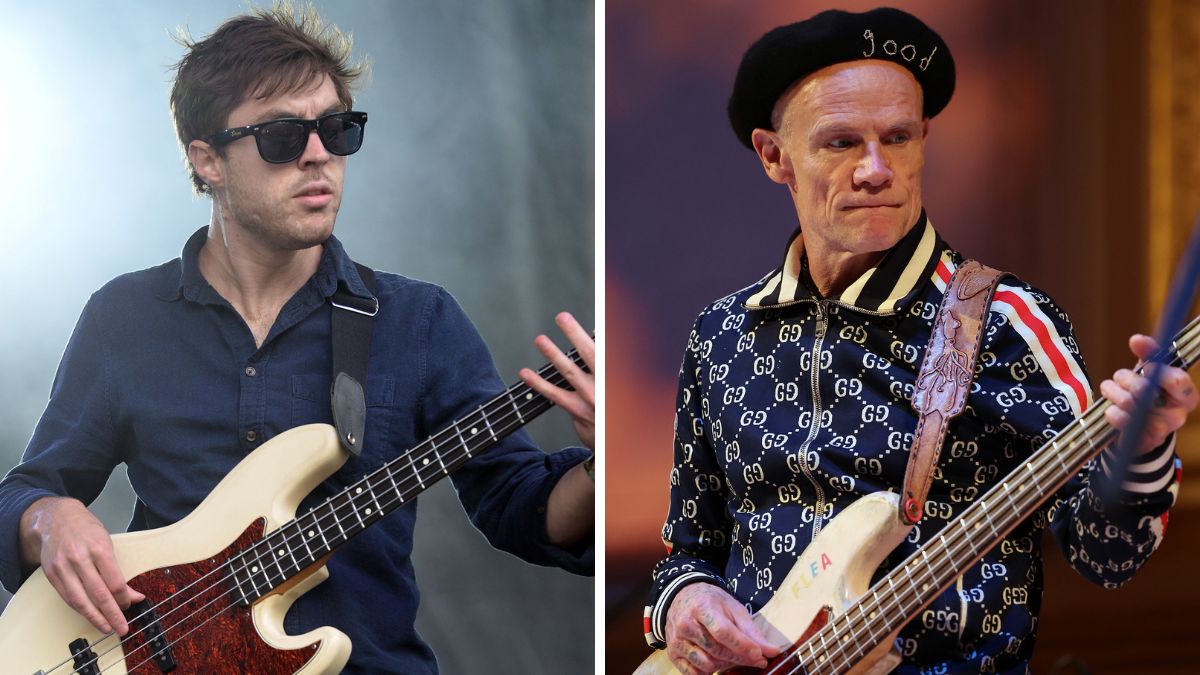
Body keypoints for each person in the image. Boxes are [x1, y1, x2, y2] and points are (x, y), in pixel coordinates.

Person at [0, 4, 594, 673]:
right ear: (209, 160)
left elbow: (524, 509)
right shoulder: (124, 317)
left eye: (337, 130)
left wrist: (602, 467)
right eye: (284, 136)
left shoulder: (418, 320)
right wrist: (49, 518)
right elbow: (24, 492)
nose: (319, 155)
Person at [643, 7, 1195, 674]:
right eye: (841, 143)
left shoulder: (1004, 323)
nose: (877, 170)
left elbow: (1107, 555)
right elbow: (688, 549)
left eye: (898, 137)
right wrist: (682, 600)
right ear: (774, 156)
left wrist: (1144, 449)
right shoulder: (719, 335)